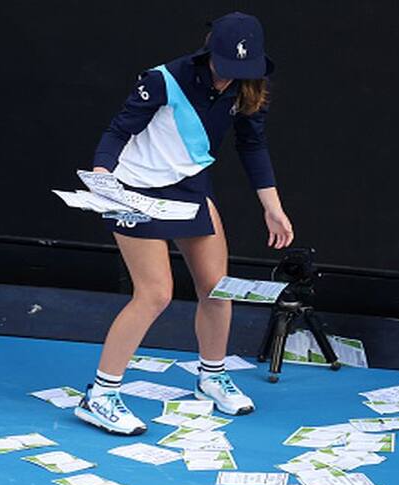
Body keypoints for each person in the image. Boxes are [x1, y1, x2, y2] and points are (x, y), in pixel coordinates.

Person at [75, 12, 294, 435]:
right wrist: (103, 175)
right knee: (155, 293)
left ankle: (211, 376)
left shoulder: (247, 90)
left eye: (242, 71)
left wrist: (273, 207)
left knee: (217, 286)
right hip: (134, 187)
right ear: (209, 53)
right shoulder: (163, 79)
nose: (231, 79)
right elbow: (120, 129)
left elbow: (253, 146)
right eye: (227, 68)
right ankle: (99, 396)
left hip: (189, 186)